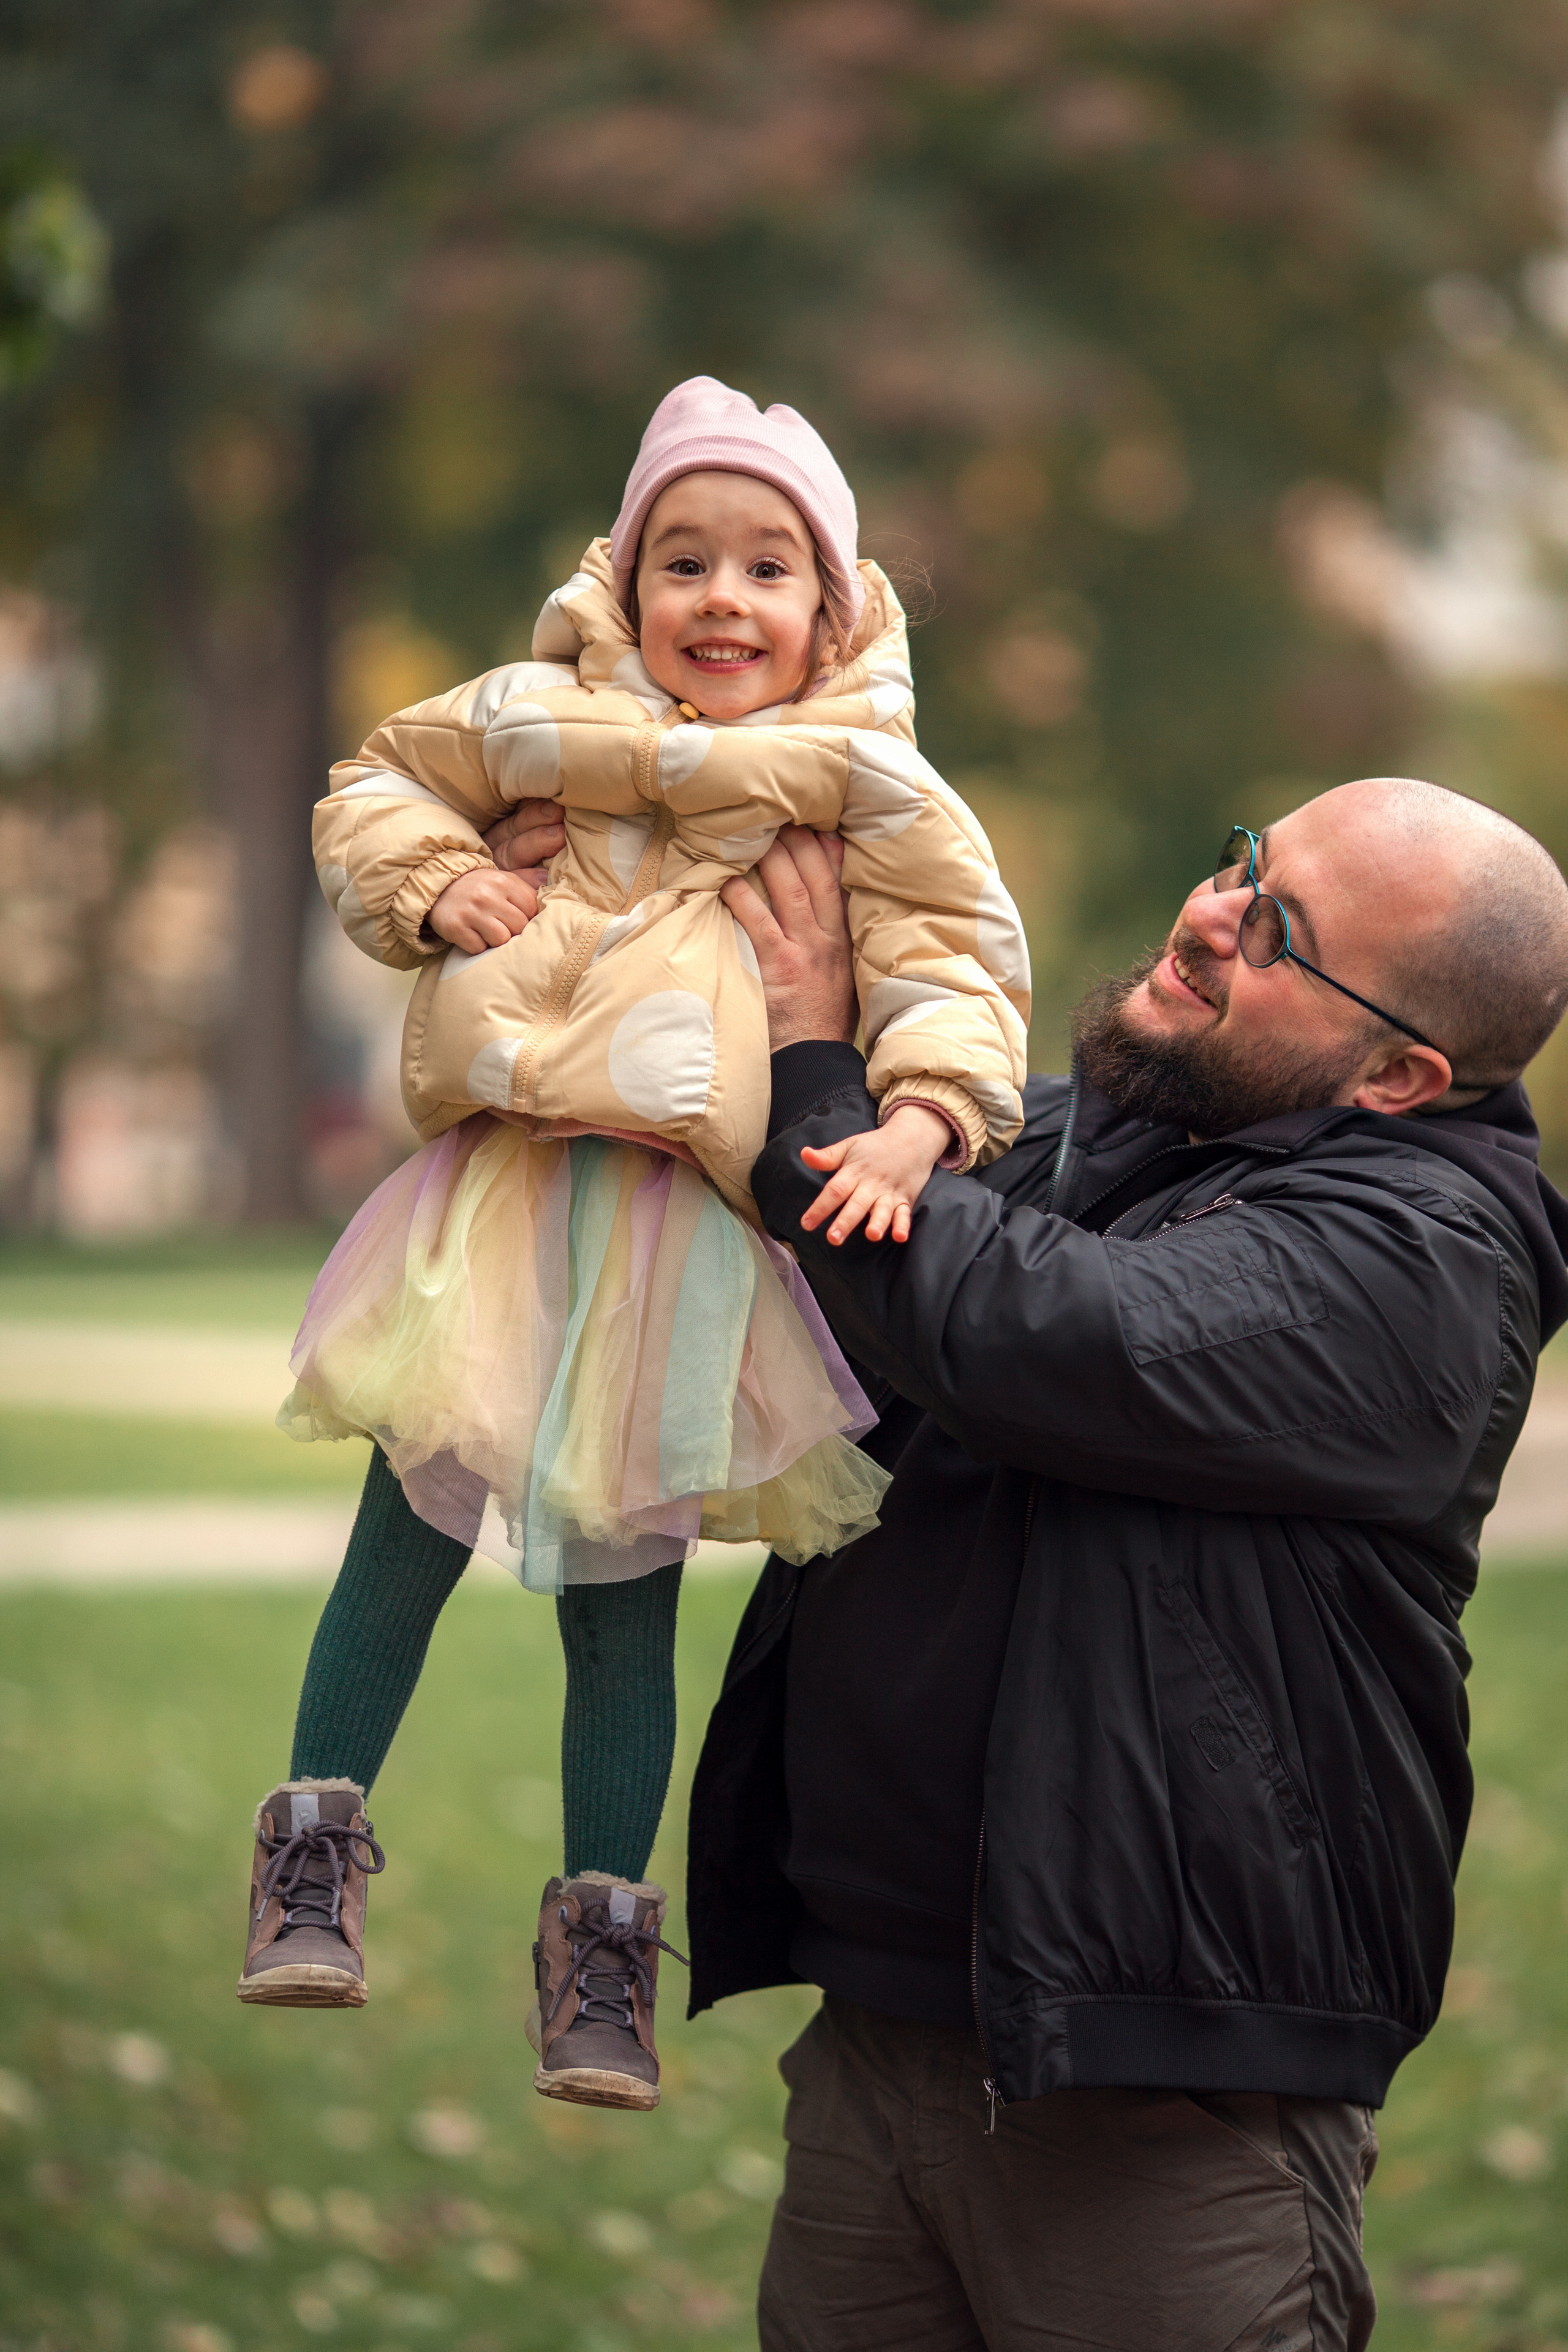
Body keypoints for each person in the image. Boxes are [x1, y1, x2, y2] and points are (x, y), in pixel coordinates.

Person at [235, 377, 1032, 2117]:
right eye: (684, 560)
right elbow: (375, 789)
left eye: (767, 568)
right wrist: (438, 886)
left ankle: (600, 1956)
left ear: (834, 610)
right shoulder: (529, 716)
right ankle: (309, 1849)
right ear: (625, 576)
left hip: (688, 1238)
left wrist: (921, 1118)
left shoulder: (867, 787)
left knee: (627, 1602)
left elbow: (955, 966)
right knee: (409, 1520)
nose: (723, 600)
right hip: (507, 1193)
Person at [688, 780, 1568, 2350]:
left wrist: (815, 1067)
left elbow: (1042, 1332)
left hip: (1159, 2095)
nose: (1213, 913)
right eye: (1244, 861)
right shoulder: (1077, 1131)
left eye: (1279, 928)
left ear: (1394, 1073)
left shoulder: (1425, 1254)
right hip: (881, 2031)